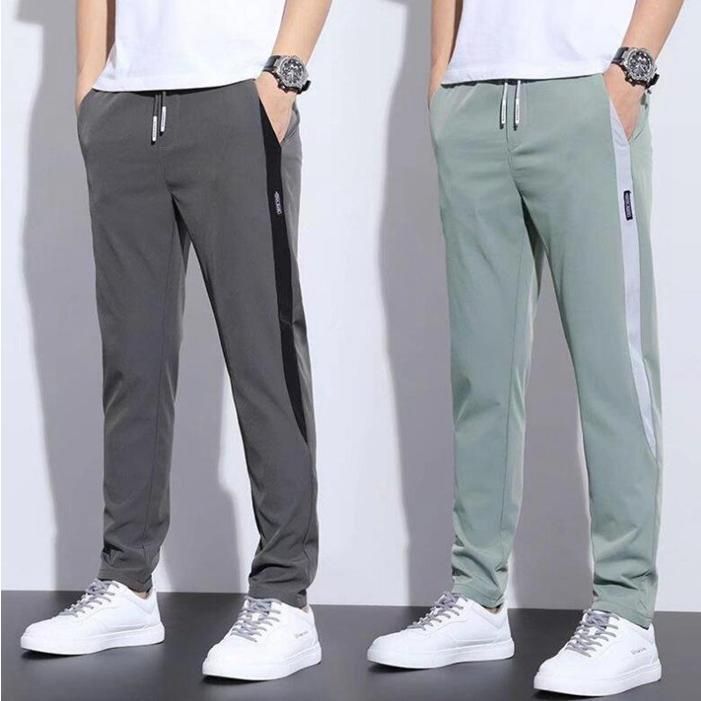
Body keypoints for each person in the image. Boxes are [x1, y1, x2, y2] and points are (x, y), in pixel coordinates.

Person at [368, 0, 684, 696]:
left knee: (613, 364)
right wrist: (442, 78)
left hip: (587, 90)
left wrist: (630, 71)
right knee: (480, 372)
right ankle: (476, 597)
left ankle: (627, 610)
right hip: (474, 100)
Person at [20, 0, 332, 682]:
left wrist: (282, 76)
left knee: (264, 350)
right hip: (124, 106)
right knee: (131, 358)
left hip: (237, 95)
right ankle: (125, 581)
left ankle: (285, 593)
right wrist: (91, 88)